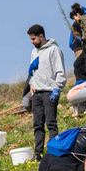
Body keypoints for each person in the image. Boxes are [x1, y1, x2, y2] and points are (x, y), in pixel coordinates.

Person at [26, 24, 67, 160]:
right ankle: (38, 153)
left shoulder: (54, 50)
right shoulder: (34, 52)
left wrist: (57, 88)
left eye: (33, 39)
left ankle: (53, 152)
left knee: (51, 123)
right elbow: (32, 71)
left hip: (49, 92)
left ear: (41, 36)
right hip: (37, 93)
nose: (32, 42)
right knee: (37, 124)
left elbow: (60, 71)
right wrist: (32, 84)